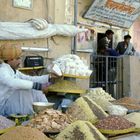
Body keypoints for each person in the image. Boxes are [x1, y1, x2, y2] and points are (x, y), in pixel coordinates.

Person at [0, 43, 56, 116]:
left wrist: (49, 77)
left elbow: (29, 79)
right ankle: (28, 119)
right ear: (9, 60)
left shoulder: (14, 71)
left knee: (34, 88)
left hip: (11, 104)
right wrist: (39, 86)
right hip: (4, 107)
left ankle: (48, 113)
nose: (20, 61)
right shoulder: (2, 70)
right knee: (24, 90)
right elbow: (12, 82)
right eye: (17, 59)